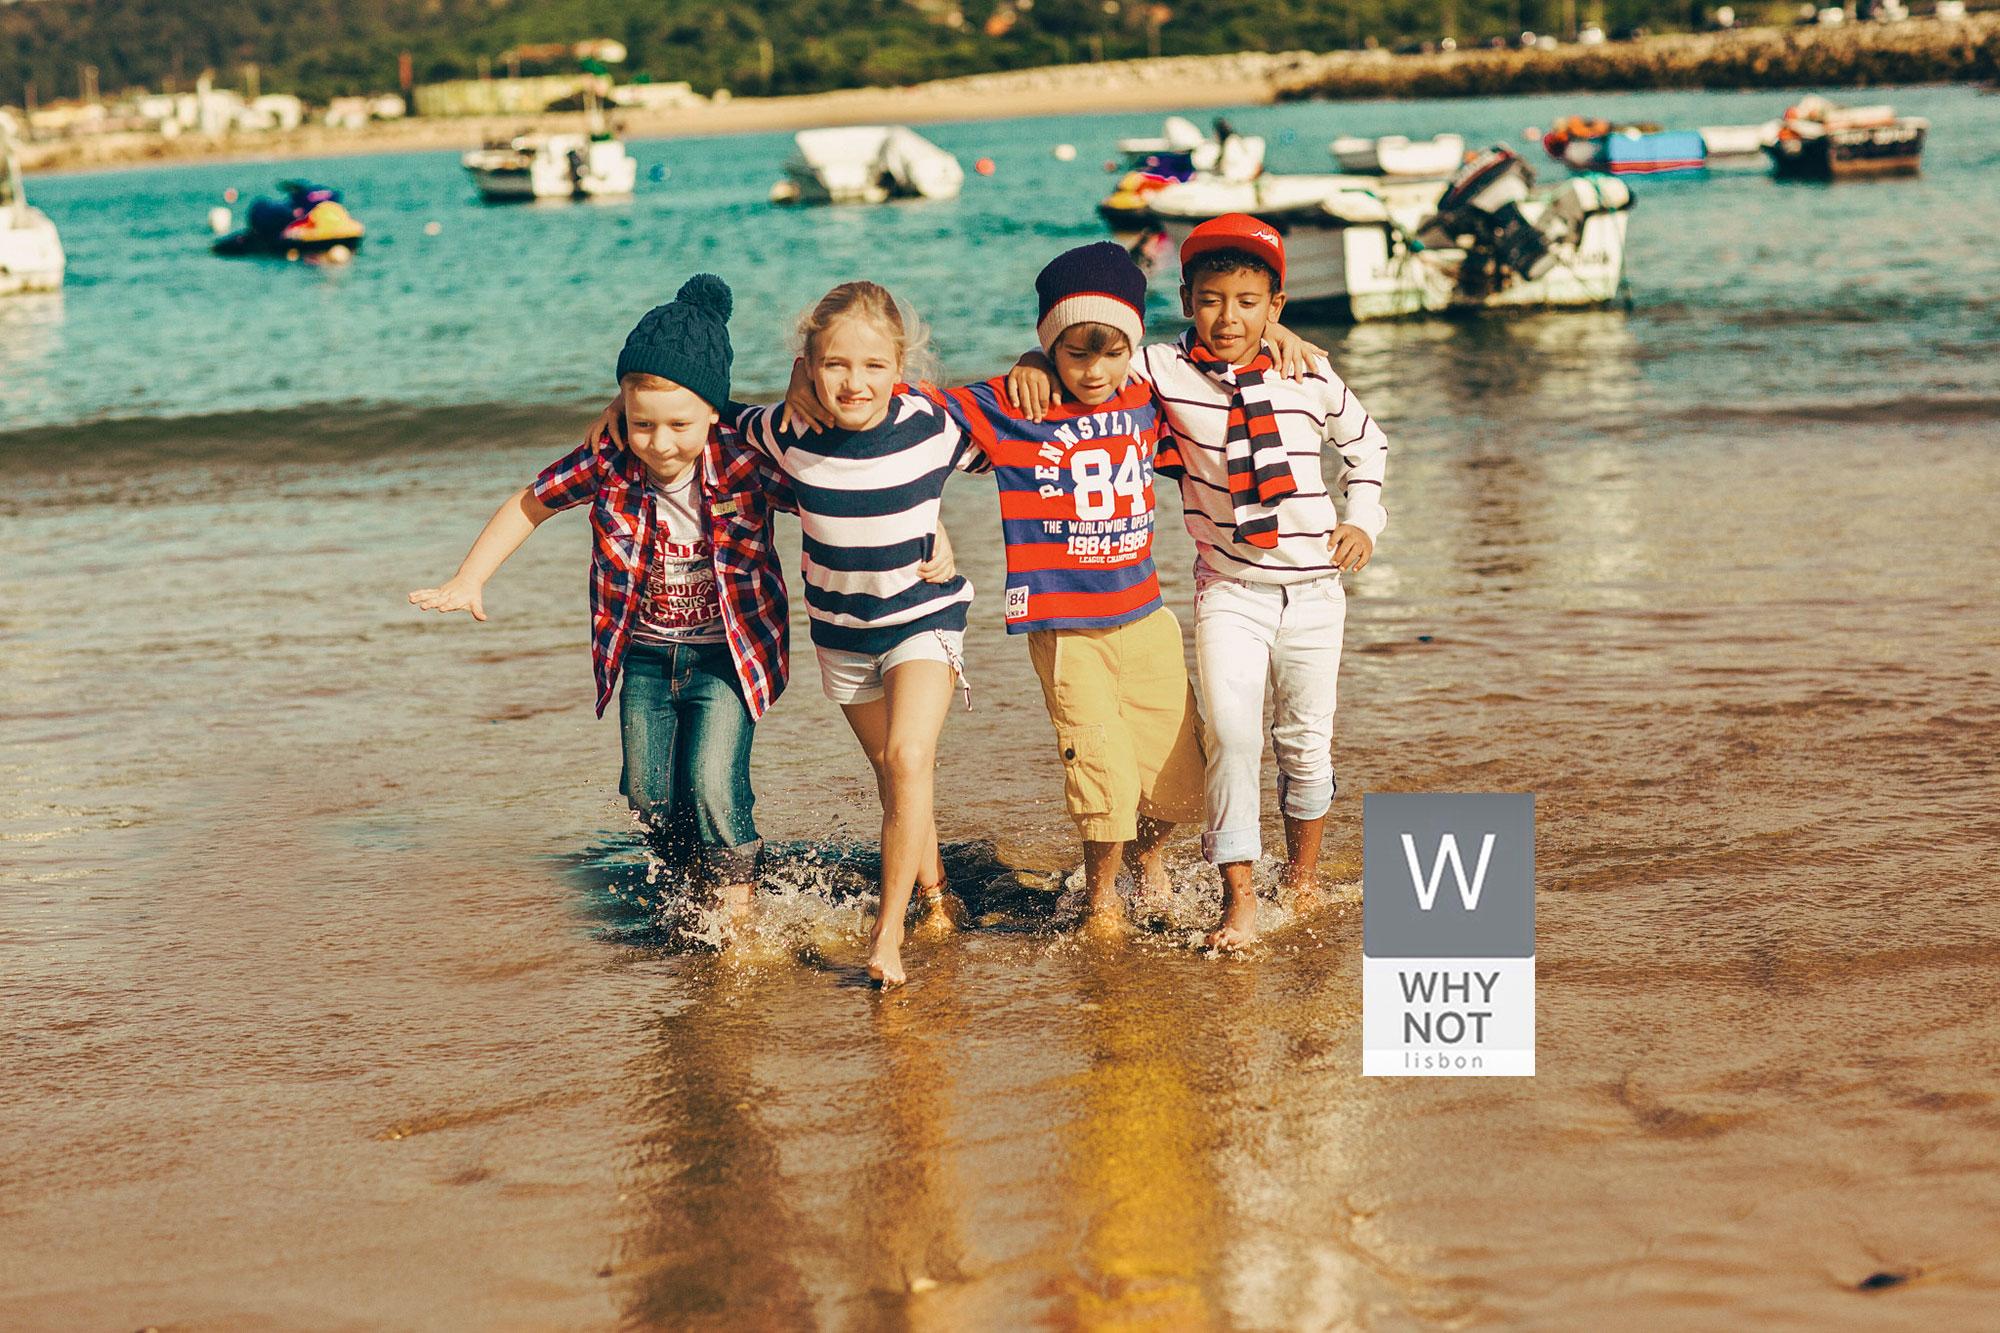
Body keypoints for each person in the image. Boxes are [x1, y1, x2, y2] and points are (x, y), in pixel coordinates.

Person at [1012, 215, 1389, 952]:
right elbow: (1091, 353)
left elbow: (1367, 445)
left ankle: (1302, 879)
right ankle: (1238, 900)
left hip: (1317, 592)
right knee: (1233, 738)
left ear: (1275, 306)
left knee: (1306, 742)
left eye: (1248, 302)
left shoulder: (1308, 371)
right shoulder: (1161, 369)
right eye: (1211, 300)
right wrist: (1033, 355)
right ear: (1186, 300)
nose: (1229, 317)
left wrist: (1364, 521)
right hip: (1230, 592)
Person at [408, 275, 791, 935]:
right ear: (622, 408)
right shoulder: (611, 458)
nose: (660, 442)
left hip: (728, 656)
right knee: (647, 795)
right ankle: (693, 883)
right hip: (643, 657)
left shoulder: (746, 459)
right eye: (643, 422)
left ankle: (739, 911)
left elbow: (832, 487)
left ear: (715, 412)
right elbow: (532, 502)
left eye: (679, 424)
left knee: (710, 780)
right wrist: (470, 577)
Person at [736, 281, 988, 988]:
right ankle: (938, 900)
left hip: (925, 617)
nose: (856, 382)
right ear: (809, 366)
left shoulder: (933, 424)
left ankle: (888, 934)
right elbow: (699, 411)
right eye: (836, 364)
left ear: (900, 366)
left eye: (874, 365)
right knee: (894, 775)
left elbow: (1019, 443)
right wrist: (621, 405)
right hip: (842, 635)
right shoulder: (785, 432)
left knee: (908, 758)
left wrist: (1033, 362)